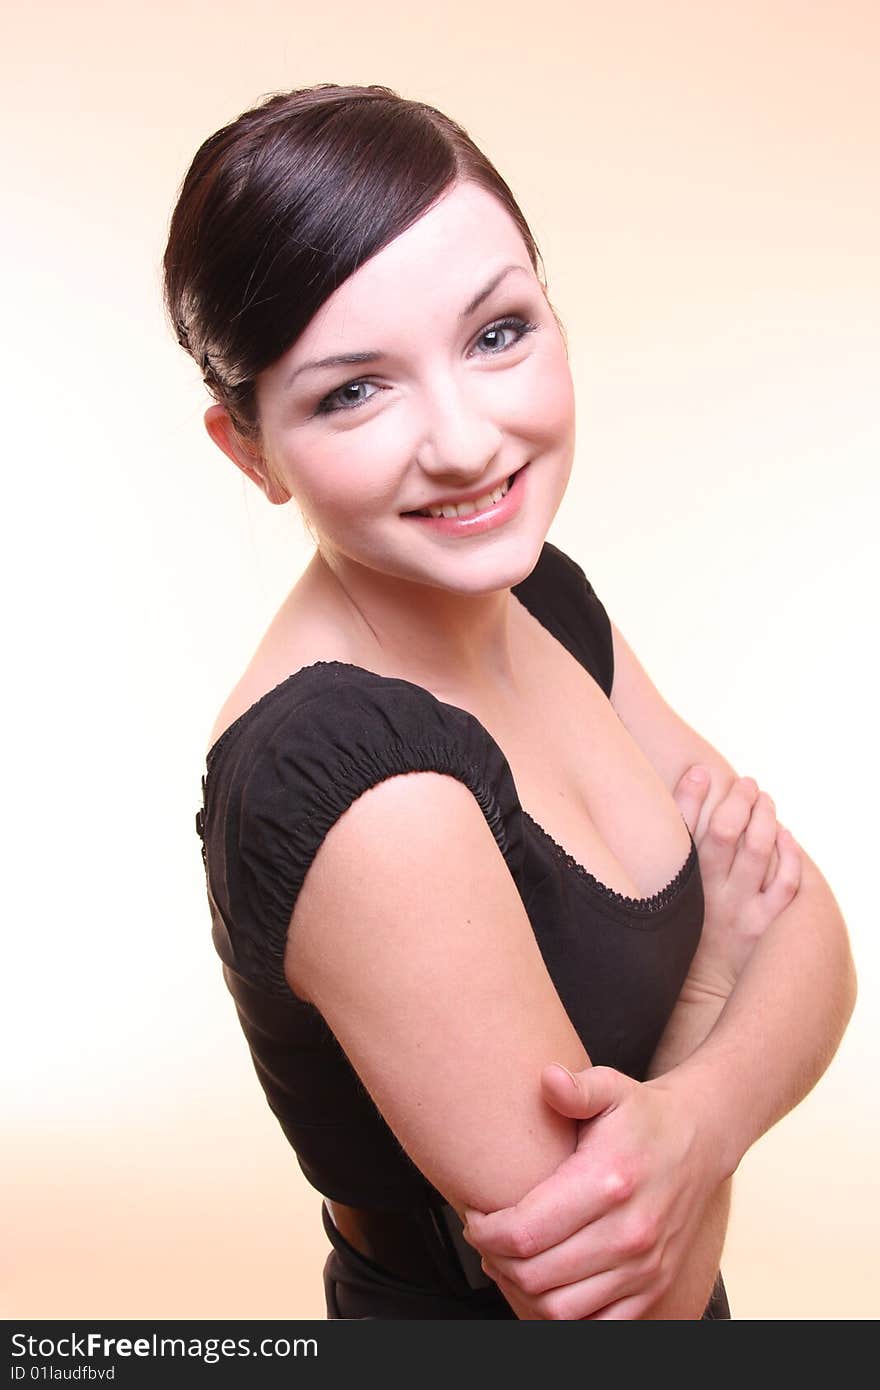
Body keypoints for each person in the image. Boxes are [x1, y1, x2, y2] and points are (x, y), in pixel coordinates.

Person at [166, 83, 856, 1319]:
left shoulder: (540, 599)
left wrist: (685, 1128)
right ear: (249, 450)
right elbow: (622, 1305)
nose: (467, 443)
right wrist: (714, 997)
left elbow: (813, 938)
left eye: (496, 334)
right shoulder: (357, 785)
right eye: (352, 391)